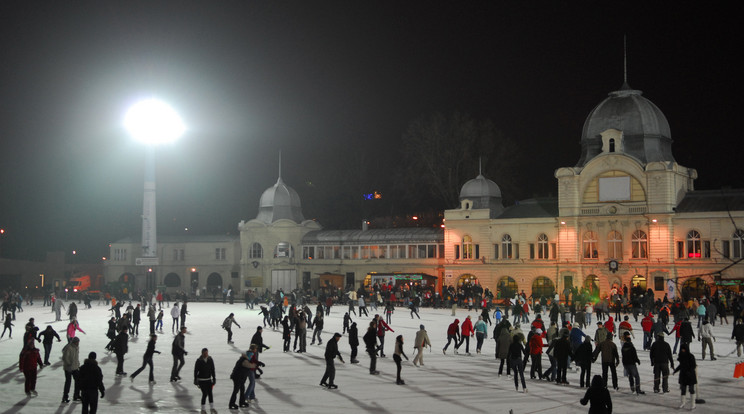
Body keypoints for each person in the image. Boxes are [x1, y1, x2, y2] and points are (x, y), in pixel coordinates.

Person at [673, 343, 697, 410]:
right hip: (683, 376)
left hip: (690, 376)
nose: (683, 350)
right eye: (682, 349)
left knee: (691, 389)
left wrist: (689, 372)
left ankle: (693, 404)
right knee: (683, 390)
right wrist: (675, 370)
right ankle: (682, 403)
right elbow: (681, 365)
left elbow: (693, 366)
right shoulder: (681, 356)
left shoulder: (691, 356)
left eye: (684, 349)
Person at [194, 348, 217, 414]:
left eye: (206, 353)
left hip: (208, 380)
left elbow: (213, 369)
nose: (206, 354)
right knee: (205, 393)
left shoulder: (210, 359)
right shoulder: (199, 361)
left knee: (210, 393)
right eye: (204, 353)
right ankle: (203, 409)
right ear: (202, 353)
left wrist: (214, 378)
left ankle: (212, 408)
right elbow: (196, 370)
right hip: (201, 380)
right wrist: (195, 379)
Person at [61, 336, 81, 403]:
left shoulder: (76, 348)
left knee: (78, 381)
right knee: (68, 382)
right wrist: (69, 364)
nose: (78, 343)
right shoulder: (69, 347)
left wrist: (78, 365)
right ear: (74, 342)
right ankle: (65, 396)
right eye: (77, 342)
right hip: (68, 368)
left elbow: (76, 357)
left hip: (75, 367)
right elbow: (65, 357)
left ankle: (76, 395)